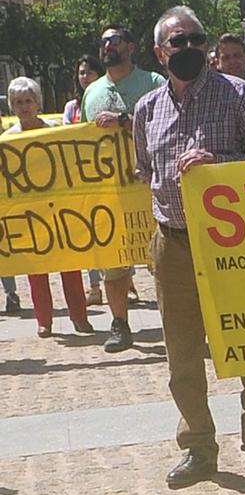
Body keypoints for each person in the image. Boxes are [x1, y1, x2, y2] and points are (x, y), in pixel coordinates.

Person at [134, 6, 245, 489]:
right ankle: (198, 447)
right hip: (173, 246)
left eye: (198, 40)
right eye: (179, 43)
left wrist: (219, 164)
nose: (191, 49)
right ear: (160, 52)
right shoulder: (146, 110)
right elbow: (146, 174)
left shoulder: (237, 94)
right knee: (180, 356)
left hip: (233, 247)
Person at [82, 24, 165, 354]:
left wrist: (124, 121)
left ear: (130, 46)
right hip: (110, 195)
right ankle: (120, 323)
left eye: (113, 41)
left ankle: (175, 323)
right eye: (103, 42)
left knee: (162, 262)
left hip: (150, 189)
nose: (106, 47)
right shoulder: (92, 91)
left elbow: (163, 125)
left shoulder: (153, 83)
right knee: (113, 264)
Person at [2, 79, 94, 337]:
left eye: (28, 101)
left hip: (60, 209)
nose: (23, 107)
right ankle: (44, 321)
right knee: (36, 268)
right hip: (28, 214)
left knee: (70, 264)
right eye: (18, 102)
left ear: (37, 102)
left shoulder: (56, 131)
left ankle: (80, 317)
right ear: (12, 106)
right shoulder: (7, 140)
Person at [63, 56, 105, 303]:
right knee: (90, 234)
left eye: (89, 72)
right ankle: (95, 286)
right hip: (82, 179)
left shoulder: (106, 99)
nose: (84, 77)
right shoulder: (72, 108)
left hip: (107, 173)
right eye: (81, 73)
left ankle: (125, 279)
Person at [63, 55, 101, 123]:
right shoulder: (71, 107)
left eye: (89, 73)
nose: (85, 76)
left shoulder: (107, 102)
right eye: (82, 73)